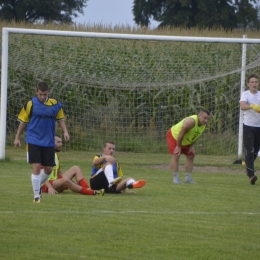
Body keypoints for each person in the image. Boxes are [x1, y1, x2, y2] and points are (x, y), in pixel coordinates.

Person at [14, 81, 70, 203]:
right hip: (33, 140)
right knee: (37, 166)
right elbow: (23, 121)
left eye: (44, 94)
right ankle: (36, 196)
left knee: (49, 168)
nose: (42, 97)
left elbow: (60, 119)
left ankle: (37, 185)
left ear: (48, 92)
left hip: (48, 141)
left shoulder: (55, 104)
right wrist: (17, 137)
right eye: (40, 94)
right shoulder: (30, 104)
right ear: (36, 92)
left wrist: (65, 131)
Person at [166, 109, 210, 184]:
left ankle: (188, 179)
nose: (206, 121)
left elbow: (196, 135)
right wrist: (178, 146)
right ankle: (176, 179)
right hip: (175, 136)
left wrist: (191, 146)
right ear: (199, 116)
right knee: (176, 155)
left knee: (191, 156)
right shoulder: (191, 122)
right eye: (205, 118)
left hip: (185, 139)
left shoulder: (203, 125)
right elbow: (181, 133)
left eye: (208, 119)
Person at [239, 73, 260, 185]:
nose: (254, 84)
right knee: (250, 149)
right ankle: (251, 175)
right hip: (248, 126)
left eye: (256, 82)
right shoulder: (245, 94)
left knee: (256, 150)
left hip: (259, 126)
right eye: (252, 82)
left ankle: (248, 167)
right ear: (248, 84)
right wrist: (251, 106)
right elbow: (242, 106)